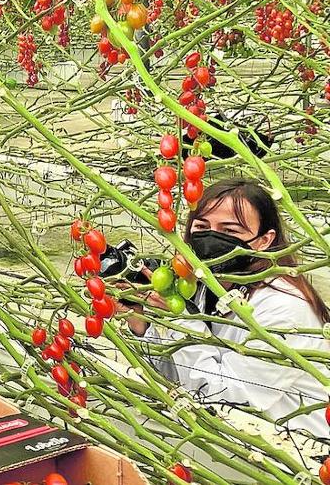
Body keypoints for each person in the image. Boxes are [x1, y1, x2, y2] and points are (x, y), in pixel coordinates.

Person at [125, 178, 330, 439]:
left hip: (298, 452)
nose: (211, 238)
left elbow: (220, 397)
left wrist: (183, 322)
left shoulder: (283, 307)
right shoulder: (200, 285)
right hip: (233, 439)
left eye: (230, 231)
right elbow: (173, 377)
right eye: (201, 226)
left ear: (264, 241)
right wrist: (141, 323)